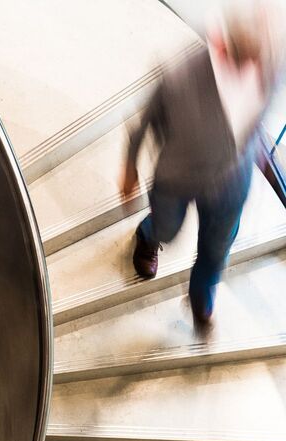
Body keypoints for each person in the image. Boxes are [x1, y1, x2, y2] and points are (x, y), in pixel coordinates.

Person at [121, 2, 284, 332]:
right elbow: (146, 120)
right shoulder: (179, 76)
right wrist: (130, 166)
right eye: (249, 56)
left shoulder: (271, 67)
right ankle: (149, 233)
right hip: (178, 177)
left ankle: (201, 297)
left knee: (216, 248)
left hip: (231, 184)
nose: (256, 64)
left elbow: (257, 118)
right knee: (168, 227)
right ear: (221, 45)